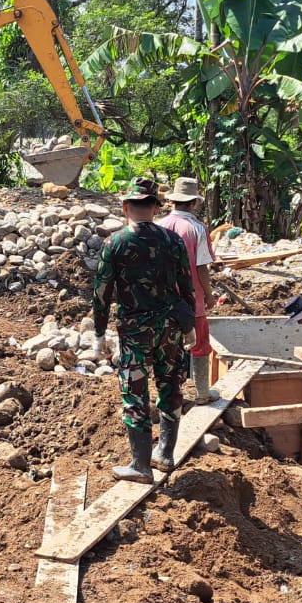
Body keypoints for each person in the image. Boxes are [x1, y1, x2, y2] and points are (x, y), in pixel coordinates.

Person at [92, 177, 196, 482]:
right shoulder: (172, 240)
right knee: (170, 386)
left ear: (125, 207)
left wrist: (98, 335)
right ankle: (164, 454)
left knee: (135, 394)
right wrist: (189, 327)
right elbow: (186, 286)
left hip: (135, 331)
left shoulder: (116, 243)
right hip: (171, 328)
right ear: (155, 208)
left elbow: (101, 294)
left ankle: (140, 465)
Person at [157, 176, 219, 402]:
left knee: (166, 346)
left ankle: (169, 394)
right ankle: (202, 392)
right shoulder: (197, 228)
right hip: (192, 300)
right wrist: (209, 296)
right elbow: (202, 267)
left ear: (173, 201)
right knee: (200, 344)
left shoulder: (158, 226)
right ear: (193, 202)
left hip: (162, 300)